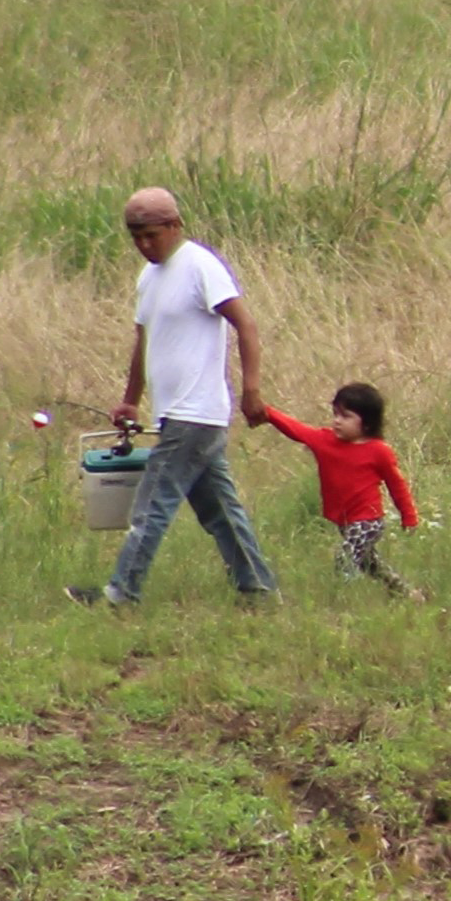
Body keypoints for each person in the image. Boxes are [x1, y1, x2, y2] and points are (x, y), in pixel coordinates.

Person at [72, 186, 278, 606]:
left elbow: (247, 325)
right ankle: (258, 588)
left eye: (152, 235)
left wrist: (251, 390)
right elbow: (143, 342)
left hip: (197, 413)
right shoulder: (148, 278)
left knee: (152, 505)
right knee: (221, 510)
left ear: (174, 226)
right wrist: (130, 400)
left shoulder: (200, 266)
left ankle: (120, 594)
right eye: (135, 236)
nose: (144, 245)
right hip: (176, 413)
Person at [251, 382, 423, 597]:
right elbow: (297, 430)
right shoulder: (325, 441)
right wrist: (268, 413)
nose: (337, 421)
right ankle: (407, 593)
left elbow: (397, 486)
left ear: (367, 423)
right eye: (335, 414)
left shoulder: (379, 451)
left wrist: (409, 517)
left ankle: (348, 601)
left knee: (346, 559)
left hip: (368, 520)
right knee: (371, 564)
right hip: (345, 520)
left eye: (346, 416)